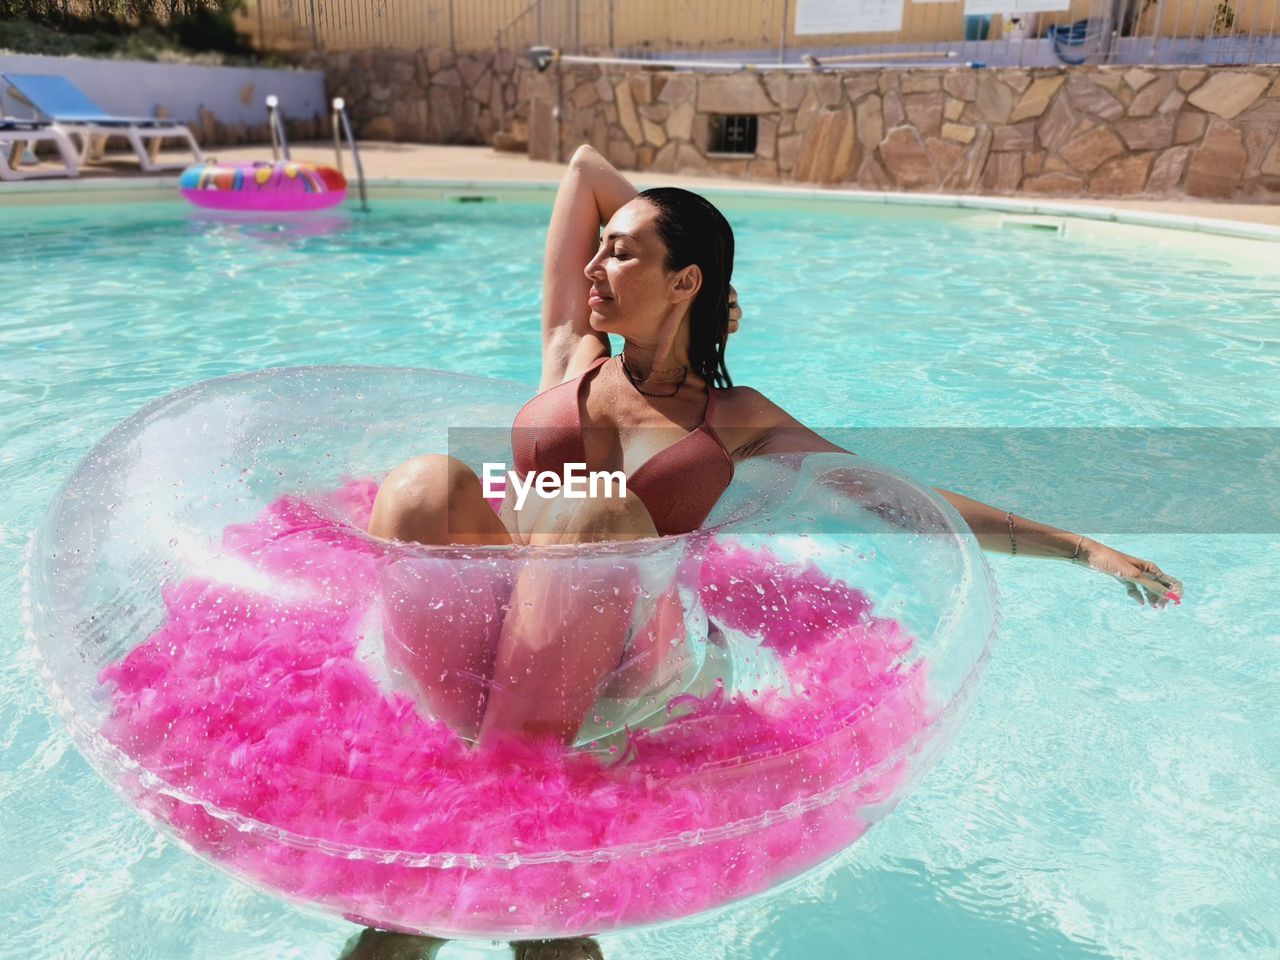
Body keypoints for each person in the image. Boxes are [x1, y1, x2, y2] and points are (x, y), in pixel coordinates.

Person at [368, 143, 1183, 746]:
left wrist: (1080, 550)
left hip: (624, 655)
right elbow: (583, 169)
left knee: (592, 514)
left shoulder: (739, 419)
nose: (592, 266)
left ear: (683, 282)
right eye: (600, 248)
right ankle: (458, 750)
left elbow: (895, 499)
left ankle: (514, 793)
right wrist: (694, 262)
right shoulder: (572, 352)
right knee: (423, 485)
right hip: (492, 619)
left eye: (620, 254)